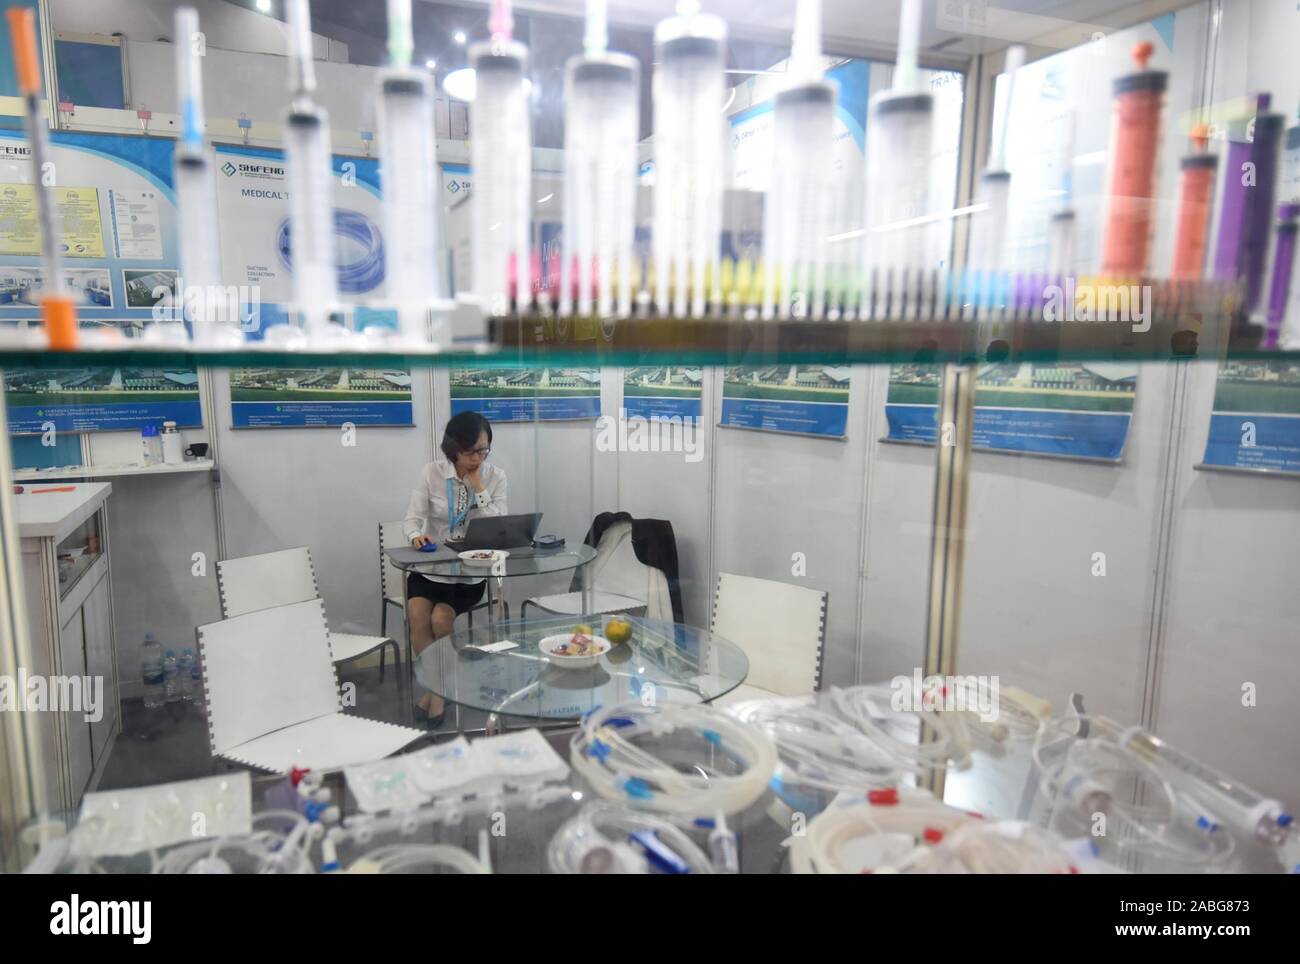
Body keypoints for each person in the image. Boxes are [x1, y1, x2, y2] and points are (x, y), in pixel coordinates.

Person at [402, 411, 507, 726]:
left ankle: (437, 692)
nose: (477, 457)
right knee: (418, 617)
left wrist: (479, 489)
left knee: (441, 618)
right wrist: (415, 535)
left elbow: (499, 527)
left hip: (469, 572)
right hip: (431, 567)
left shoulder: (495, 476)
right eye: (469, 451)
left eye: (483, 450)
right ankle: (441, 689)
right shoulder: (431, 473)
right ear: (453, 449)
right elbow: (411, 518)